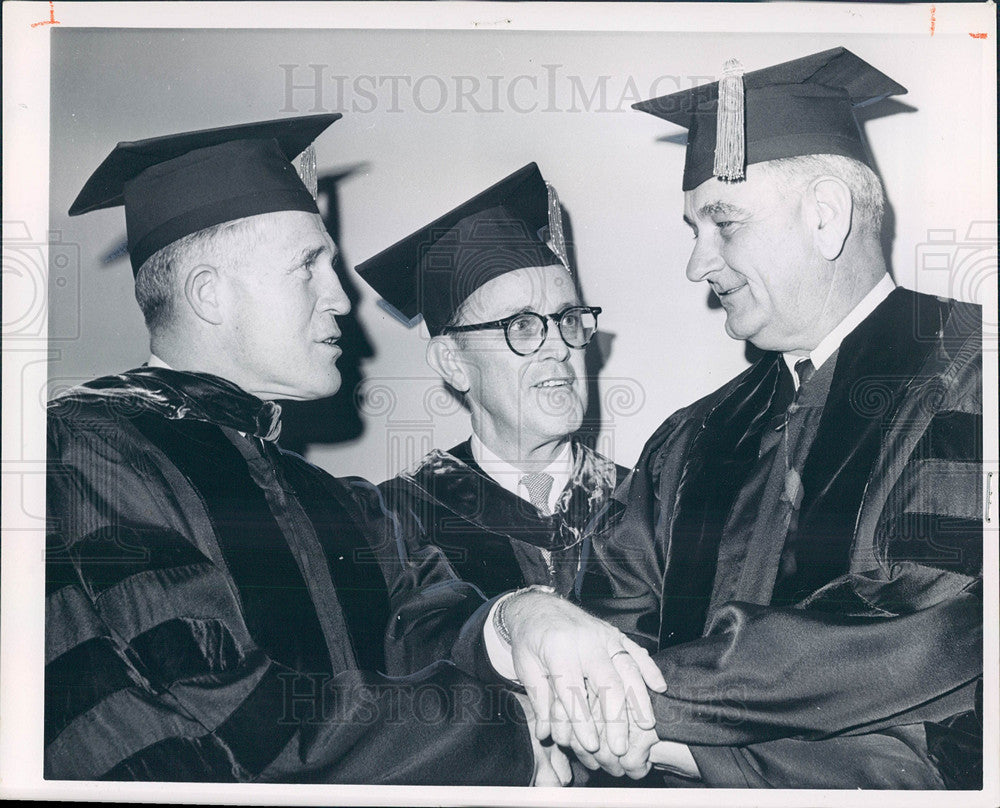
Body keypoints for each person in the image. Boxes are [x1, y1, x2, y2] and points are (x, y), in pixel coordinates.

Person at [43, 114, 575, 784]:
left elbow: (425, 626)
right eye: (309, 266)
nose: (343, 298)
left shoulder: (335, 499)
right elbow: (220, 710)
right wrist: (503, 737)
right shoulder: (90, 452)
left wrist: (514, 621)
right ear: (211, 294)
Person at [558, 47, 982, 788]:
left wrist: (628, 706)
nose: (698, 265)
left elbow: (920, 627)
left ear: (826, 217)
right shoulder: (692, 438)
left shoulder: (968, 371)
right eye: (695, 229)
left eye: (722, 224)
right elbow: (608, 613)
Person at [355, 164, 626, 603]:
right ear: (452, 362)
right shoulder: (394, 522)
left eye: (569, 319)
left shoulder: (647, 504)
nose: (559, 347)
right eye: (522, 325)